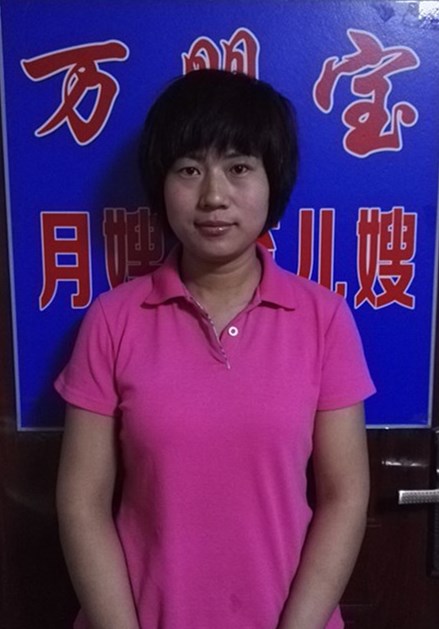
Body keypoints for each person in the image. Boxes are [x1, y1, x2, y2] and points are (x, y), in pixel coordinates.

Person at [56, 69, 375, 629]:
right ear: (160, 183)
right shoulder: (113, 320)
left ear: (273, 180)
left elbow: (345, 495)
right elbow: (82, 502)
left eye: (239, 167)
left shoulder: (323, 319)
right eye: (189, 169)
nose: (213, 196)